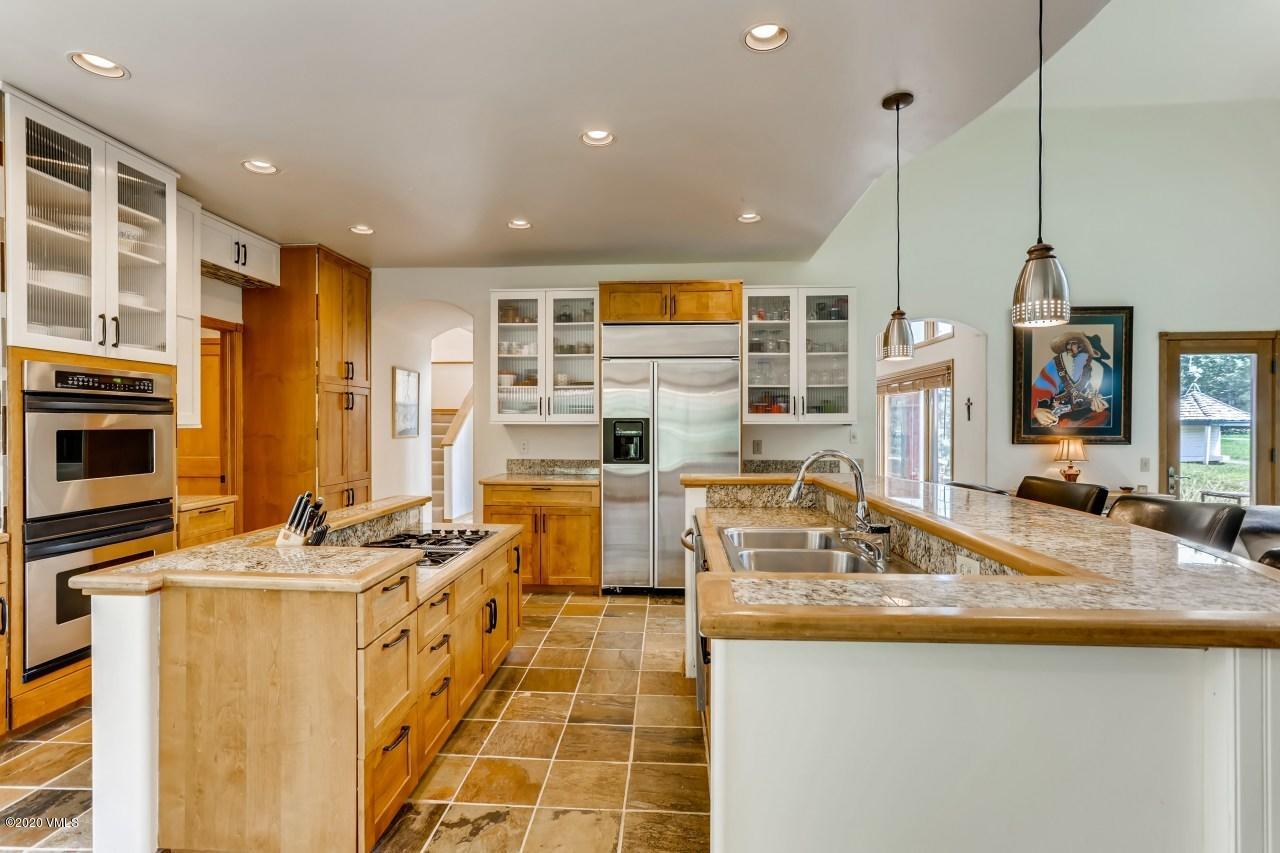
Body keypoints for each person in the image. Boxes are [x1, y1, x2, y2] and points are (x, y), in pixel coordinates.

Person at [1031, 332, 1112, 428]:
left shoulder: (1105, 370)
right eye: (1069, 344)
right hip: (1053, 418)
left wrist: (1103, 405)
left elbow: (1112, 399)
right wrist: (1037, 411)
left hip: (1087, 418)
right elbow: (1039, 391)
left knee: (1102, 417)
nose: (1071, 347)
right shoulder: (1055, 364)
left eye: (1077, 345)